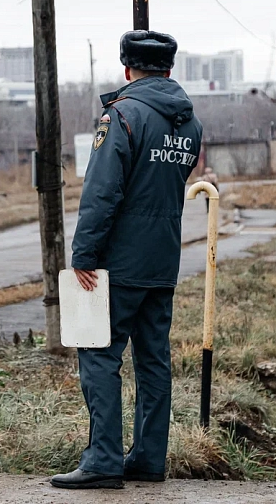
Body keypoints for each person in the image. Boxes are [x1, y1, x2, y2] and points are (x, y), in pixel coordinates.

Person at [51, 31, 203, 490]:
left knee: (98, 354)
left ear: (126, 69)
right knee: (154, 360)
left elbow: (102, 191)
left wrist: (84, 254)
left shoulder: (122, 116)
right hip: (163, 261)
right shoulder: (189, 123)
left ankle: (103, 460)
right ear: (170, 70)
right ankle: (149, 459)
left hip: (119, 263)